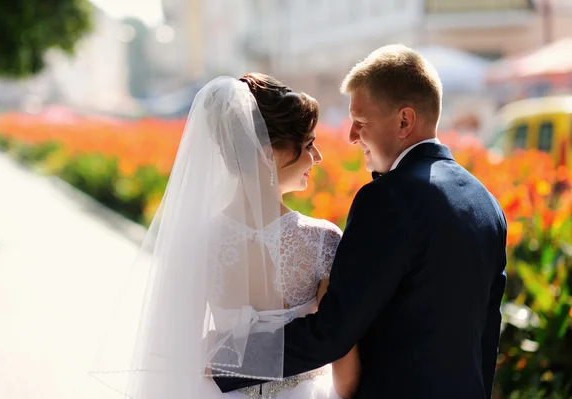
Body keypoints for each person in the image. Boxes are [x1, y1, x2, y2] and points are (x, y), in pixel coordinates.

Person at [214, 45, 508, 399]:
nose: (352, 136)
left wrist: (220, 362)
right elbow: (488, 332)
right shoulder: (486, 203)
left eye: (361, 122)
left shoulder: (387, 200)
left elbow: (333, 333)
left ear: (404, 121)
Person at [90, 73, 359, 398]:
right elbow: (341, 354)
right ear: (268, 152)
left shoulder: (198, 240)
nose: (317, 158)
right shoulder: (322, 241)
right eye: (309, 144)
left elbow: (176, 343)